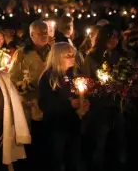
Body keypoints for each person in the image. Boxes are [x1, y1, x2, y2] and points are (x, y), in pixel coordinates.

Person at [38, 42, 89, 171]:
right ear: (58, 56)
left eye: (73, 54)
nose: (72, 57)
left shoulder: (73, 74)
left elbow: (79, 93)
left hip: (73, 125)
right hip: (56, 126)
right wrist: (69, 104)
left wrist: (84, 102)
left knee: (73, 160)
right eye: (68, 55)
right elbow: (44, 103)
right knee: (56, 161)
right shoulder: (48, 77)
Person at [82, 24, 126, 171]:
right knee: (98, 145)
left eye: (116, 37)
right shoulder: (92, 56)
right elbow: (88, 81)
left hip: (117, 106)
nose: (114, 39)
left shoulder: (120, 56)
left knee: (117, 145)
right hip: (99, 108)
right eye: (110, 36)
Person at [8, 20, 50, 169]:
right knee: (31, 146)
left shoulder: (54, 52)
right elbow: (12, 78)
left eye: (46, 32)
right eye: (40, 33)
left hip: (50, 106)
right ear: (32, 34)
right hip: (30, 106)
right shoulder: (21, 54)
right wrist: (24, 87)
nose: (45, 35)